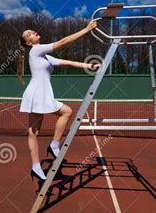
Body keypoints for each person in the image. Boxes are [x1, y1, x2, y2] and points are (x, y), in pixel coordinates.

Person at [17, 20, 100, 185]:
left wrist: (88, 65)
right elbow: (62, 42)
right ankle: (36, 165)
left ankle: (54, 144)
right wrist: (85, 30)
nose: (33, 32)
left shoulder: (45, 56)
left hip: (42, 95)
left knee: (66, 111)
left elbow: (67, 62)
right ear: (29, 42)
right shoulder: (35, 50)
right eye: (29, 34)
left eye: (32, 31)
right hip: (35, 95)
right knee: (34, 132)